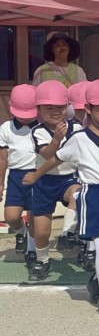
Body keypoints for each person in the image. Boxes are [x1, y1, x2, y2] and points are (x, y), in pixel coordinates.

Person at [24, 80, 99, 315]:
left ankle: (97, 279)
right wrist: (36, 174)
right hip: (94, 195)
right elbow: (56, 159)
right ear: (88, 108)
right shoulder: (79, 139)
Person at [28, 81, 82, 280]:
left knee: (78, 193)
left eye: (60, 107)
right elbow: (47, 153)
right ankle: (42, 260)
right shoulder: (38, 131)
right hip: (44, 181)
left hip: (69, 178)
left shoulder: (77, 127)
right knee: (42, 231)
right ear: (39, 110)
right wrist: (57, 140)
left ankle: (67, 234)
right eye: (48, 108)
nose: (55, 111)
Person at [0, 85, 38, 265]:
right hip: (15, 176)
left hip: (37, 175)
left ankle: (32, 249)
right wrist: (0, 183)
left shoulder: (42, 127)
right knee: (11, 217)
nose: (26, 117)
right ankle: (21, 232)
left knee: (34, 215)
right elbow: (2, 158)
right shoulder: (6, 128)